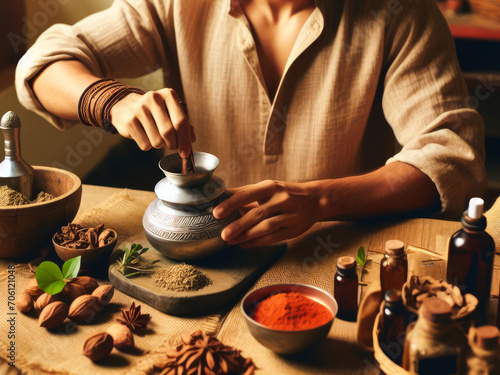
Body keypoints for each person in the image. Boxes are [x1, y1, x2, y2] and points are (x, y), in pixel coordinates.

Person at [16, 0, 487, 248]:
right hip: (208, 247)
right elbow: (41, 66)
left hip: (343, 245)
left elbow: (452, 155)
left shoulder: (398, 11)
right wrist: (111, 100)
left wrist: (320, 199)